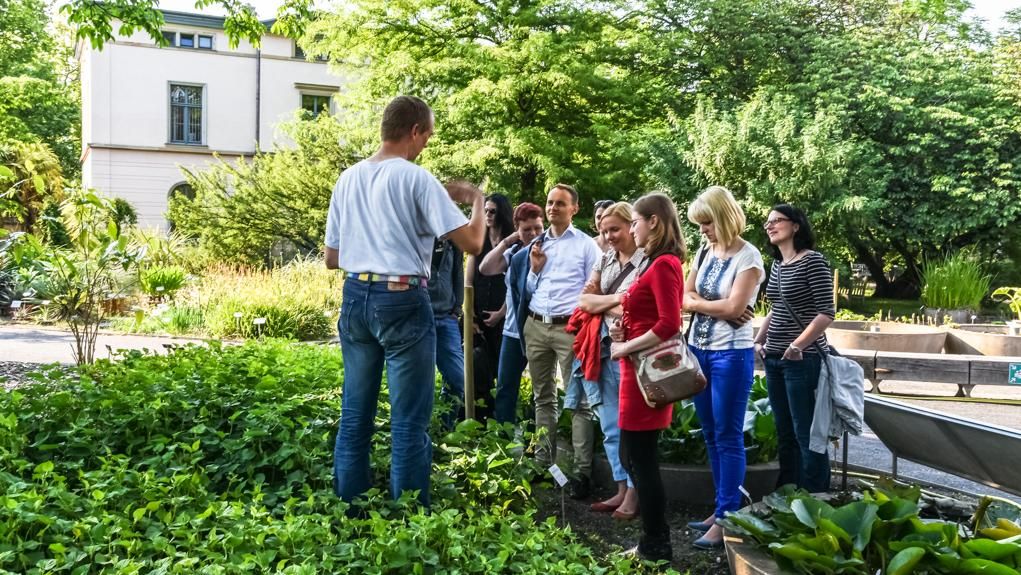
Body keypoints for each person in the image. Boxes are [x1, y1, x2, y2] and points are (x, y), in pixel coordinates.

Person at [324, 95, 485, 508]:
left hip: (355, 294)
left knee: (355, 414)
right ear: (414, 130)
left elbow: (332, 258)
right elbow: (472, 242)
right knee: (409, 422)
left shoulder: (348, 178)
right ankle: (410, 516)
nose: (426, 144)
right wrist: (478, 201)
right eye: (427, 135)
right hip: (402, 299)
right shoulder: (417, 179)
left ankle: (350, 507)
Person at [682, 186, 764, 549]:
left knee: (728, 437)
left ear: (725, 217)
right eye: (699, 225)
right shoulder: (704, 250)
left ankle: (728, 516)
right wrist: (712, 304)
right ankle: (718, 510)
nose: (702, 230)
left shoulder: (749, 257)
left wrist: (704, 303)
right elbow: (684, 298)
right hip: (698, 351)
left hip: (732, 355)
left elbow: (736, 311)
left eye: (707, 223)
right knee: (710, 434)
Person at [609, 192, 687, 562]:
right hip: (634, 371)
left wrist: (626, 347)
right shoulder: (652, 263)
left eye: (636, 221)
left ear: (653, 221)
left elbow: (670, 323)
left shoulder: (664, 264)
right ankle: (651, 542)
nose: (633, 229)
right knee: (633, 456)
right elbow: (648, 315)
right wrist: (625, 332)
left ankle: (657, 545)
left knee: (641, 459)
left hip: (646, 373)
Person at [524, 183, 601, 497]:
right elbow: (529, 288)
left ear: (574, 209)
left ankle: (582, 474)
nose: (553, 208)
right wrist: (534, 269)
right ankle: (544, 464)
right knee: (543, 398)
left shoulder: (585, 246)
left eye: (560, 203)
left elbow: (594, 290)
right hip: (536, 324)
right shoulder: (539, 243)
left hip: (570, 329)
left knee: (579, 401)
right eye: (550, 202)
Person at [753, 204, 834, 493]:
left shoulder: (813, 261)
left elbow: (826, 312)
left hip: (802, 359)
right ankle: (787, 494)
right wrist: (759, 340)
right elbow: (776, 308)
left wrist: (797, 346)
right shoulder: (777, 264)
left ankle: (815, 495)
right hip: (774, 358)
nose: (770, 226)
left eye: (777, 221)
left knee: (806, 433)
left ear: (796, 226)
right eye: (767, 222)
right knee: (784, 432)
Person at [576, 201, 642, 519]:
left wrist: (603, 302)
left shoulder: (646, 262)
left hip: (631, 353)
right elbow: (585, 299)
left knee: (630, 426)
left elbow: (634, 310)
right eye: (605, 230)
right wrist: (616, 298)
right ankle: (620, 487)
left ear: (632, 225)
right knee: (610, 425)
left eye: (615, 229)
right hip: (601, 349)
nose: (609, 235)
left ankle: (634, 491)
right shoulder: (606, 257)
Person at [478, 202, 544, 424]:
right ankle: (503, 439)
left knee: (542, 390)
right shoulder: (514, 253)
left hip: (539, 331)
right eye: (527, 230)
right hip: (513, 331)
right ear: (517, 229)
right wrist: (510, 240)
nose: (534, 233)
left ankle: (536, 442)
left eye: (537, 227)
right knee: (506, 386)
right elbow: (485, 268)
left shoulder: (548, 252)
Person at [466, 194, 515, 421]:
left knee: (500, 367)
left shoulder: (511, 242)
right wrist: (471, 316)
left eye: (493, 211)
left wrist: (502, 313)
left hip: (503, 313)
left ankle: (500, 417)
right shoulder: (479, 240)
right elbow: (467, 280)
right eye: (485, 210)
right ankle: (478, 414)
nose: (487, 215)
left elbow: (515, 283)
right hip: (478, 312)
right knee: (476, 366)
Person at [428, 236, 465, 429]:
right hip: (420, 317)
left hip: (447, 318)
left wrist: (457, 307)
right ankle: (422, 433)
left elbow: (458, 272)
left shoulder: (453, 241)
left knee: (457, 379)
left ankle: (444, 429)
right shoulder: (417, 235)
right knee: (421, 382)